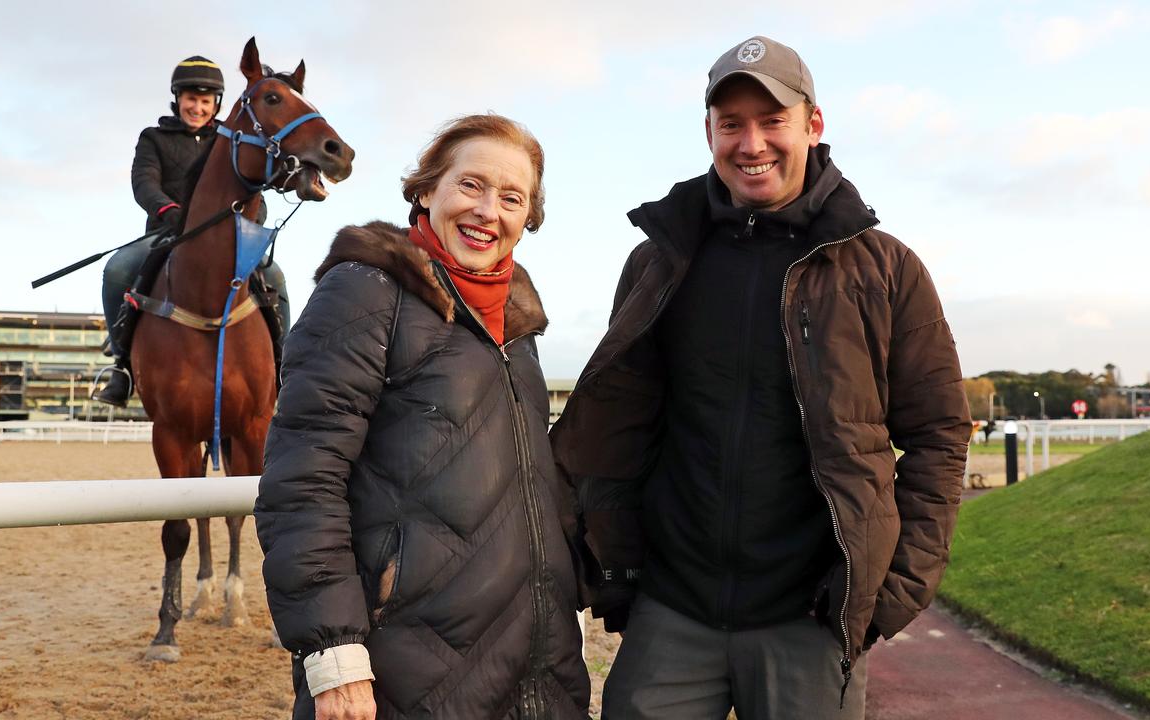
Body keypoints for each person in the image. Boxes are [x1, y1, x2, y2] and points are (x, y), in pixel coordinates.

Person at [550, 36, 971, 719]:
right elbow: (621, 425)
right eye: (731, 124)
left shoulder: (886, 269)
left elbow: (940, 435)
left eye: (772, 120)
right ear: (709, 132)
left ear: (813, 124)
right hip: (673, 610)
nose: (752, 143)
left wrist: (894, 592)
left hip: (807, 620)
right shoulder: (658, 261)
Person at [254, 114, 589, 720]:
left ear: (528, 218)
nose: (489, 210)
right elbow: (304, 479)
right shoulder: (363, 290)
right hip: (403, 669)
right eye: (471, 185)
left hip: (537, 667)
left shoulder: (519, 323)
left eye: (511, 197)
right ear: (426, 190)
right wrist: (334, 653)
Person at [91, 54, 289, 406]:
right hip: (167, 232)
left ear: (217, 104)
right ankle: (121, 363)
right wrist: (169, 211)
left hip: (227, 237)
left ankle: (284, 363)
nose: (197, 108)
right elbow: (144, 182)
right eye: (191, 99)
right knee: (117, 269)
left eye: (205, 101)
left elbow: (252, 185)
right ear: (178, 98)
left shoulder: (231, 140)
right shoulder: (153, 138)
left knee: (274, 274)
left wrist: (253, 223)